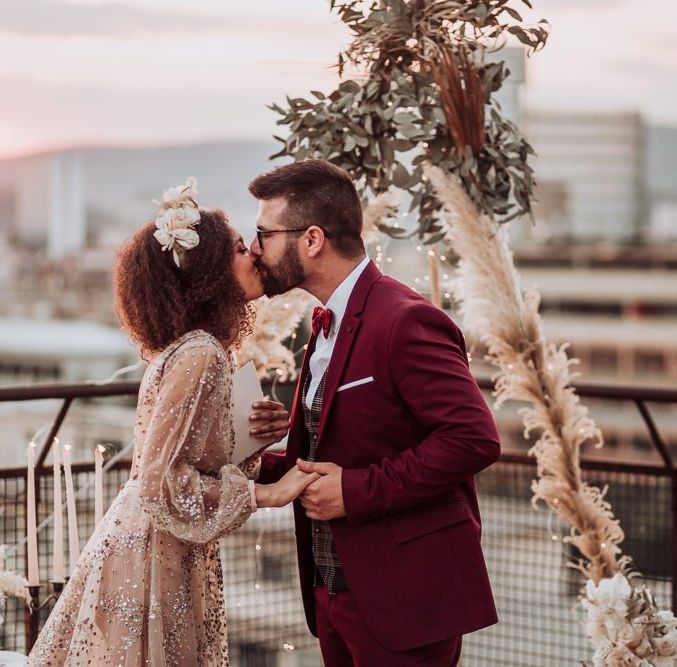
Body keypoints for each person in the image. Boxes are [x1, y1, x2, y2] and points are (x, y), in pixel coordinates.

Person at [27, 178, 317, 666]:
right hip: (152, 555)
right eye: (243, 250)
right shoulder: (201, 352)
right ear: (209, 273)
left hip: (160, 546)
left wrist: (249, 441)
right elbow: (161, 478)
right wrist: (264, 493)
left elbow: (184, 461)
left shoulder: (199, 348)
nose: (255, 259)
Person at [248, 160, 502, 666]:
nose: (255, 248)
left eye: (263, 233)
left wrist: (355, 491)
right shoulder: (324, 324)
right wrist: (253, 462)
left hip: (404, 601)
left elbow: (473, 439)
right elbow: (329, 454)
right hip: (333, 596)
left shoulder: (405, 321)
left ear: (312, 239)